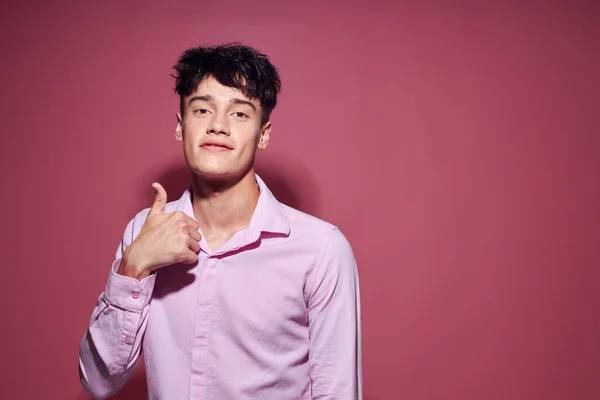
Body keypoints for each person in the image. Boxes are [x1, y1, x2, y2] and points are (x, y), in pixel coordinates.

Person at [79, 43, 362, 400]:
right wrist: (133, 266)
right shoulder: (144, 232)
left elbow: (336, 391)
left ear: (264, 133)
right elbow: (98, 381)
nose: (217, 126)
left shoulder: (320, 249)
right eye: (202, 109)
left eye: (240, 114)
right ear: (180, 126)